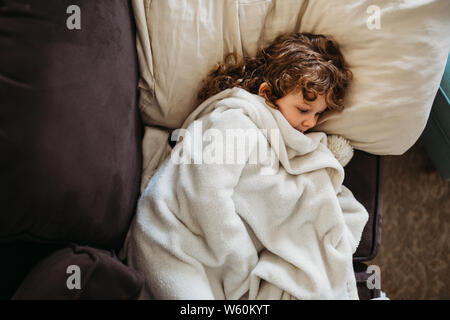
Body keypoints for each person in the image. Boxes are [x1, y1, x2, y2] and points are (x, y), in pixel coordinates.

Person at [197, 32, 353, 134]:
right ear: (268, 94)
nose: (311, 123)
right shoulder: (236, 120)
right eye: (303, 110)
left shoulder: (292, 133)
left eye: (318, 113)